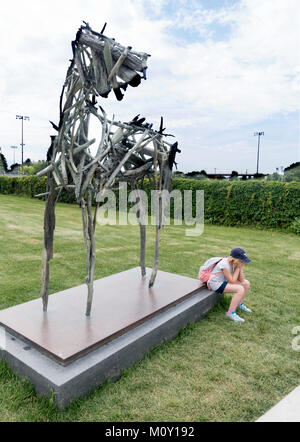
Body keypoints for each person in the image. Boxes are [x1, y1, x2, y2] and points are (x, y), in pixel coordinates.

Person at [208, 248, 252, 323]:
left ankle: (239, 303)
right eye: (242, 261)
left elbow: (242, 280)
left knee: (246, 283)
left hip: (224, 281)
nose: (244, 263)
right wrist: (238, 268)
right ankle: (231, 313)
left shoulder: (234, 263)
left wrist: (239, 268)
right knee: (240, 289)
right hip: (215, 283)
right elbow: (232, 281)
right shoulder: (224, 264)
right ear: (237, 260)